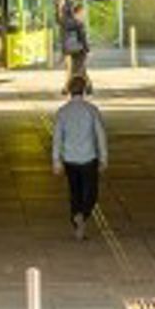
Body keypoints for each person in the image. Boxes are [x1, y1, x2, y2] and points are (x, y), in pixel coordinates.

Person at [52, 75, 108, 241]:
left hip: (70, 159)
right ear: (84, 90)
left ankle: (77, 218)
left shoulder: (62, 112)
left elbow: (57, 137)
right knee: (91, 193)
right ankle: (83, 215)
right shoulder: (91, 110)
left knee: (74, 191)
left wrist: (56, 160)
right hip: (89, 157)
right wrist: (104, 157)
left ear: (69, 91)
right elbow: (100, 135)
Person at [61, 2, 91, 94]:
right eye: (83, 13)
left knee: (71, 70)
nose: (84, 15)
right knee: (80, 69)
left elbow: (64, 37)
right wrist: (87, 49)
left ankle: (67, 88)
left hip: (69, 50)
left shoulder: (66, 23)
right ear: (79, 12)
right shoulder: (79, 23)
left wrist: (65, 50)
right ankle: (87, 87)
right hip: (79, 50)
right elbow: (83, 38)